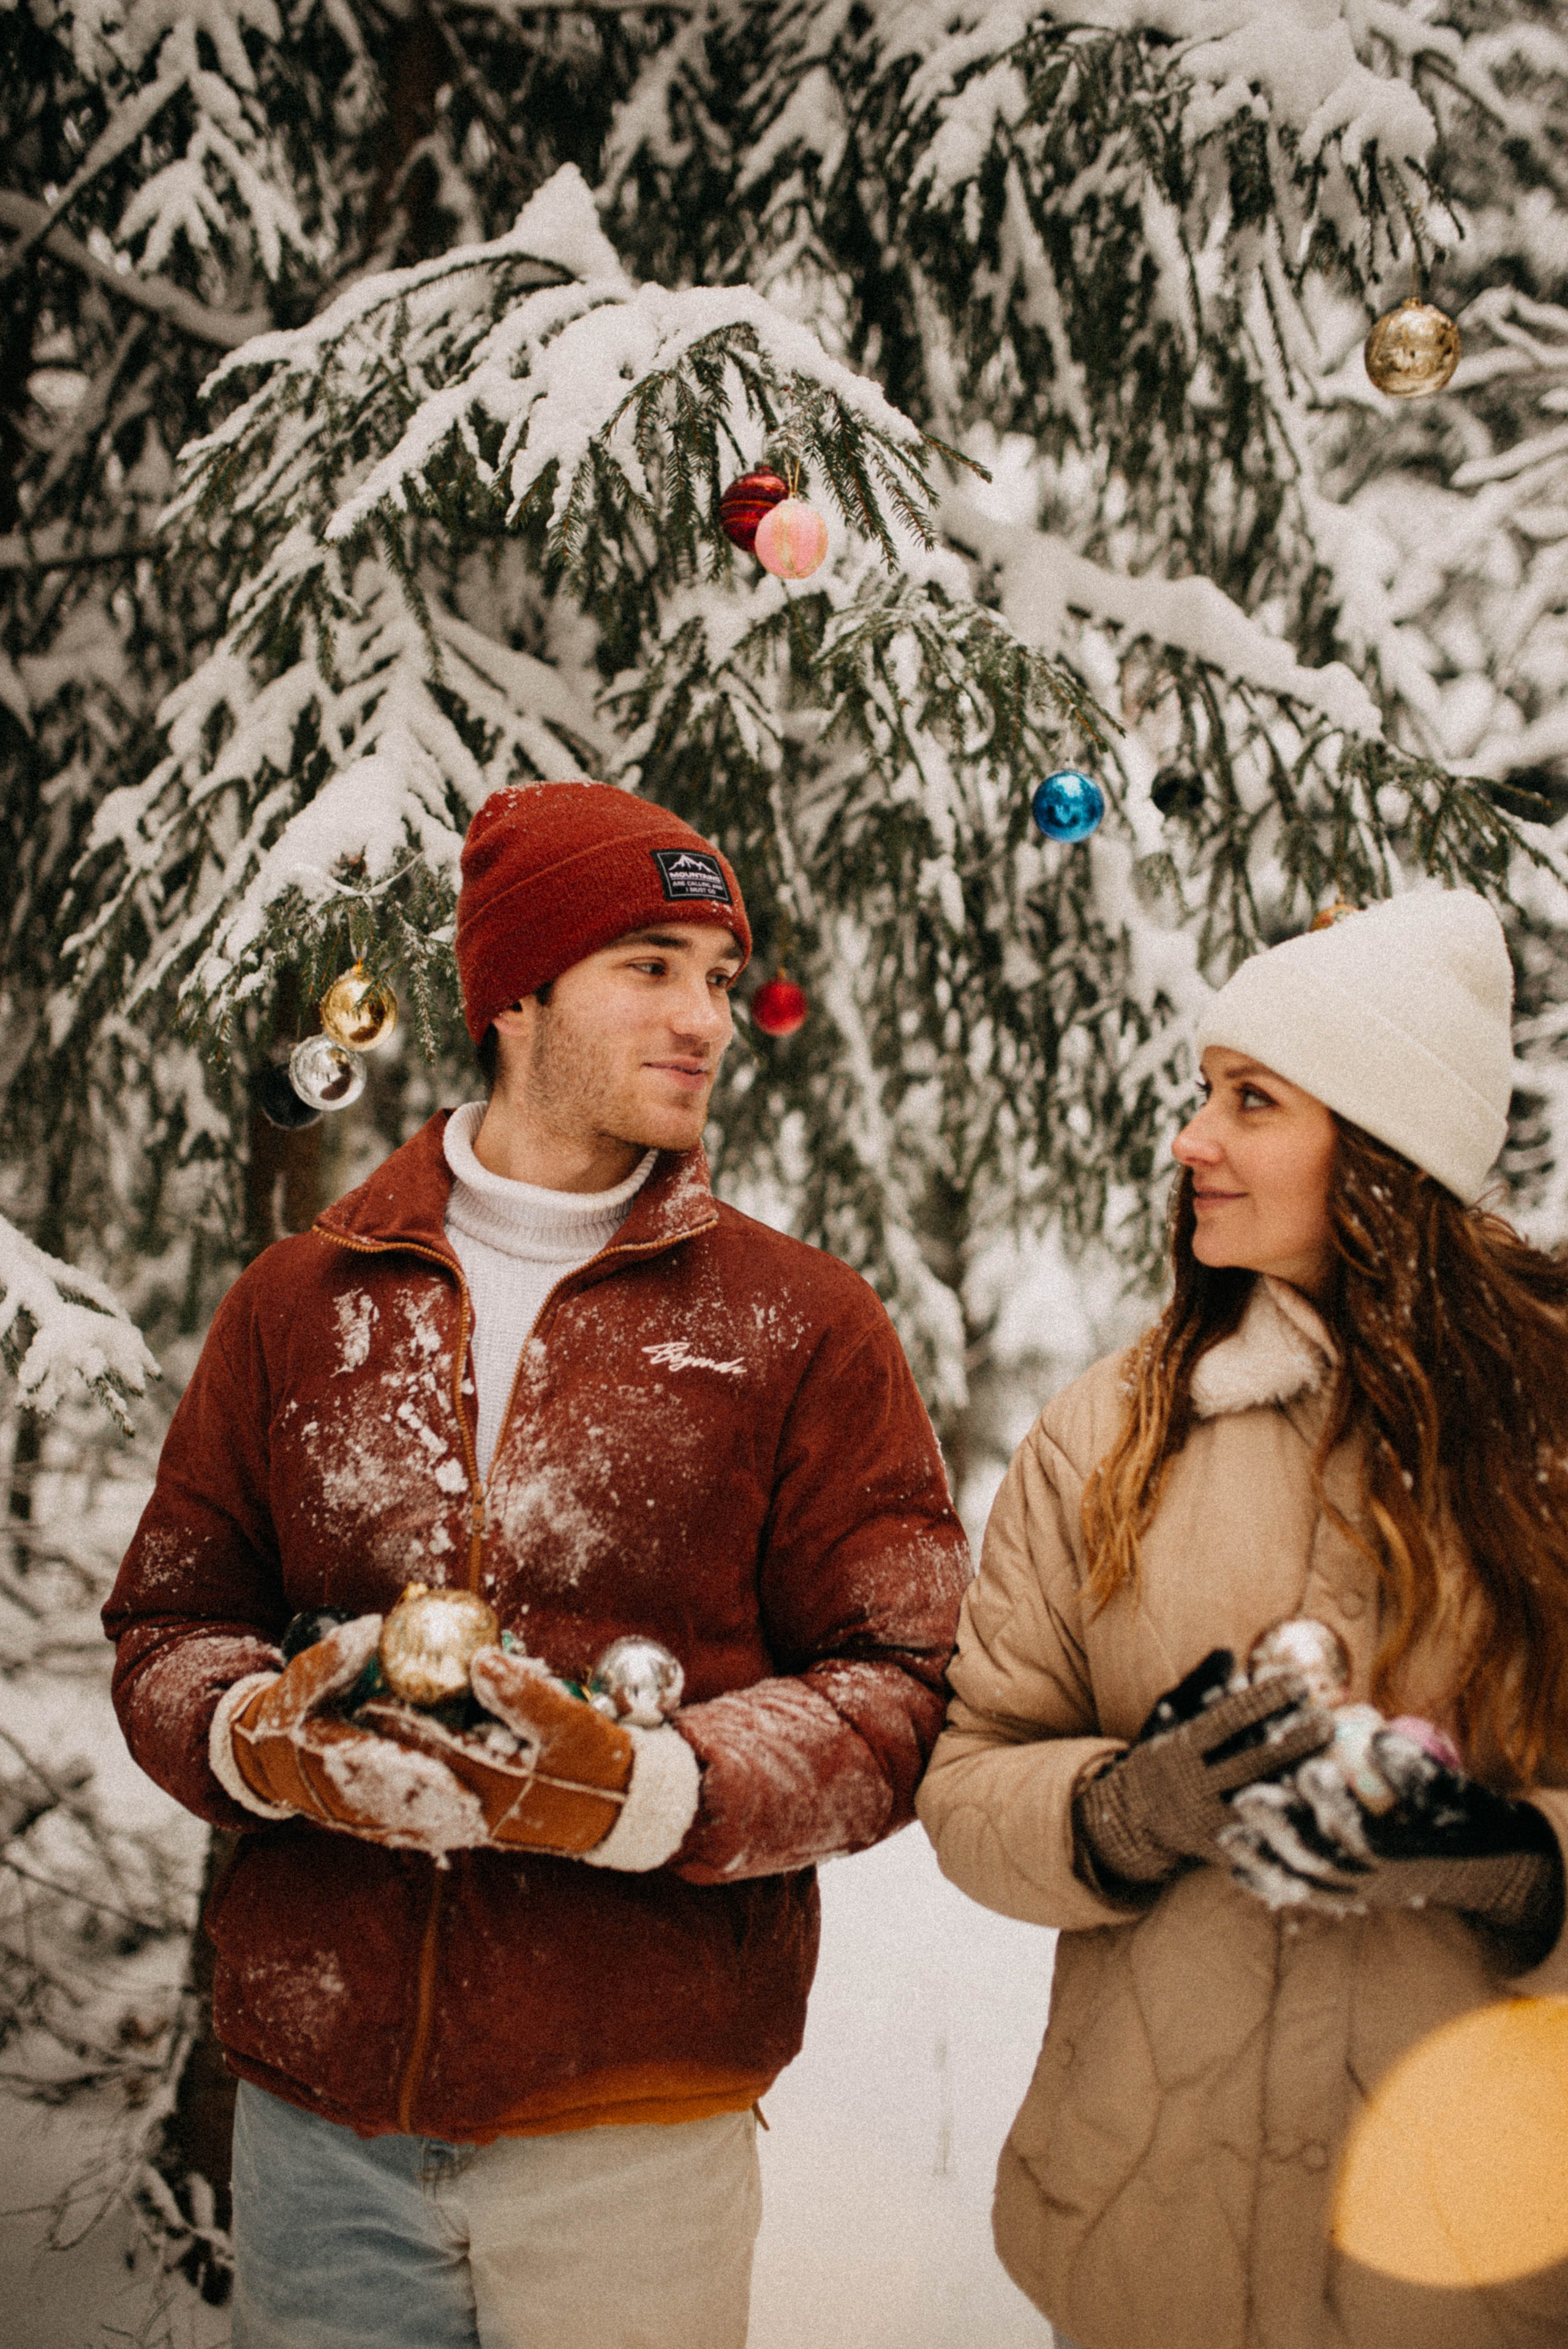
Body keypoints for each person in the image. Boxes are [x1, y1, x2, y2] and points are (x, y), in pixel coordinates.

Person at [105, 780, 970, 2349]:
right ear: (514, 991)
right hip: (319, 2125)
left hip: (630, 2131)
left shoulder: (799, 1323)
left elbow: (903, 1685)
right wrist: (262, 1741)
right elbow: (172, 1620)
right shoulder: (304, 1301)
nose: (704, 1017)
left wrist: (655, 1794)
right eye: (649, 964)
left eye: (717, 976)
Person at [917, 887, 1568, 2349]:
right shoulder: (1105, 1437)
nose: (1188, 1141)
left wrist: (1521, 1865)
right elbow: (967, 1783)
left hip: (1469, 2264)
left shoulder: (1550, 1441)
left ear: (1380, 1150)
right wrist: (1118, 1814)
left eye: (1249, 1101)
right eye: (1203, 1094)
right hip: (1149, 2255)